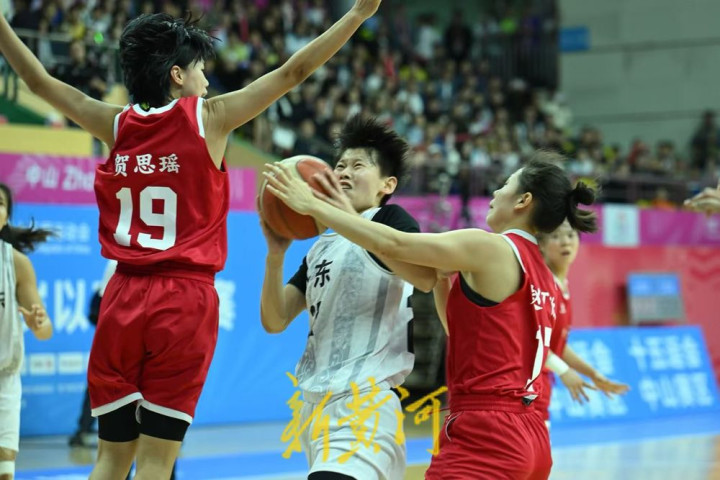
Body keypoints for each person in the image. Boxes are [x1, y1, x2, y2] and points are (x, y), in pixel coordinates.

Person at [0, 2, 382, 478]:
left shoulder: (114, 123)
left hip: (122, 295)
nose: (207, 80)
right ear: (177, 75)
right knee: (157, 462)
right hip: (183, 300)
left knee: (110, 460)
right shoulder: (210, 118)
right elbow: (294, 72)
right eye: (201, 69)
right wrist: (357, 15)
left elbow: (37, 82)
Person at [264, 151, 598, 479]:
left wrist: (316, 206)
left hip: (487, 431)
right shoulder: (544, 275)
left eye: (505, 185)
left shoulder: (489, 246)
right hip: (531, 432)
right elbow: (460, 331)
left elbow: (394, 244)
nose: (495, 193)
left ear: (523, 201)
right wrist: (441, 281)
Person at [260, 115, 436, 480]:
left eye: (358, 166)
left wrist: (321, 209)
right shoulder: (321, 247)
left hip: (364, 403)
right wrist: (275, 255)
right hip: (314, 409)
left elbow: (424, 276)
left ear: (387, 184)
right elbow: (275, 320)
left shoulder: (389, 220)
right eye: (339, 165)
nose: (343, 172)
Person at [534, 220, 629, 428]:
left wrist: (593, 374)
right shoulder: (542, 286)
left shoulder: (562, 285)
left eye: (570, 235)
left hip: (543, 386)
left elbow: (557, 345)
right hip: (526, 387)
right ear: (541, 245)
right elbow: (533, 341)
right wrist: (563, 370)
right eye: (555, 237)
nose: (565, 242)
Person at [0, 183, 53, 480]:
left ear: (7, 216)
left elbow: (45, 331)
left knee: (4, 467)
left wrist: (37, 323)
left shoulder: (17, 263)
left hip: (3, 379)